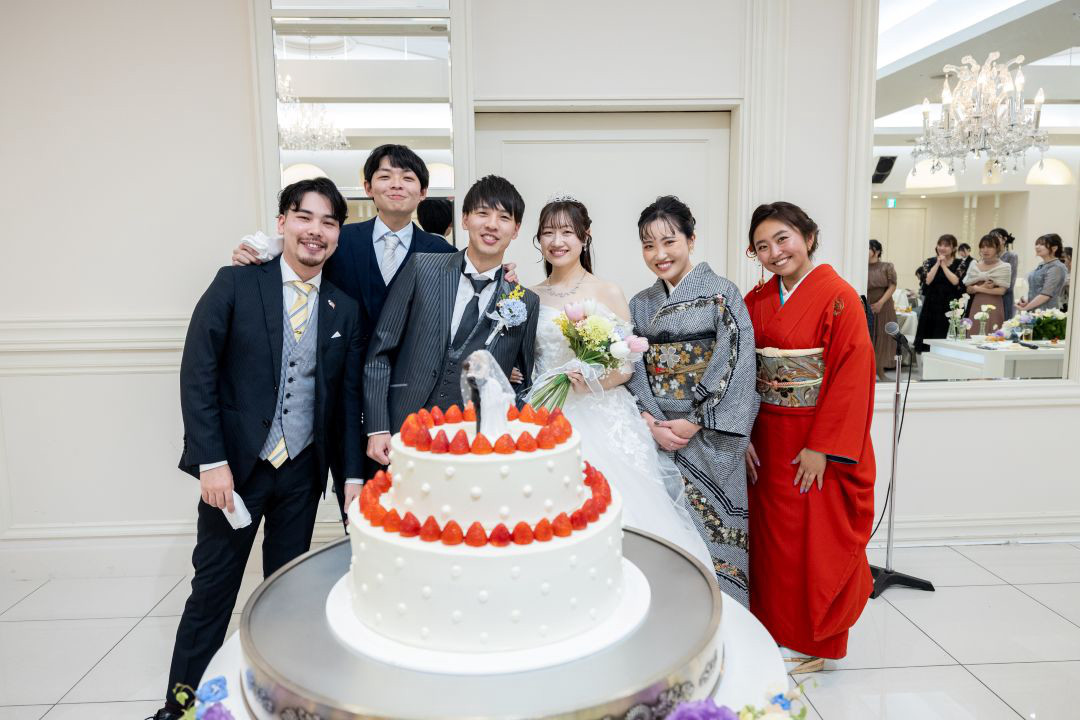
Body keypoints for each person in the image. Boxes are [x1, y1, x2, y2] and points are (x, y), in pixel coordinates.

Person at [154, 179, 363, 720]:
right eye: (304, 217)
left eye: (328, 222)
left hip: (301, 472)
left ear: (338, 235)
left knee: (284, 596)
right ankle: (181, 706)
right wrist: (211, 462)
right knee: (212, 592)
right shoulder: (236, 283)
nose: (315, 231)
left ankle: (275, 701)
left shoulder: (343, 307)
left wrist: (349, 478)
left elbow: (344, 404)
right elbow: (198, 373)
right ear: (282, 223)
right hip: (234, 471)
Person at [232, 145, 456, 519]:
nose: (396, 184)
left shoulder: (441, 251)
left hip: (412, 403)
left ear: (423, 192)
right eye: (385, 176)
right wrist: (257, 252)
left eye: (407, 178)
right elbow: (296, 255)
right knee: (358, 512)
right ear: (368, 187)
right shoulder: (338, 239)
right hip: (344, 400)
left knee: (419, 514)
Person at [524, 194, 713, 570]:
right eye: (548, 233)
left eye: (567, 232)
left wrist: (591, 381)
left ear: (585, 236)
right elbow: (526, 361)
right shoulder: (529, 296)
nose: (557, 241)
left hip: (603, 414)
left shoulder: (607, 291)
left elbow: (627, 366)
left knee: (619, 512)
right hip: (545, 412)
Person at [742, 201, 875, 672]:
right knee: (771, 542)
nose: (775, 252)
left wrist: (822, 447)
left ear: (808, 237)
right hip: (765, 436)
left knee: (813, 543)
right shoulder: (756, 300)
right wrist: (742, 433)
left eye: (783, 239)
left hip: (814, 441)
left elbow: (852, 376)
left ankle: (812, 643)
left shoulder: (840, 297)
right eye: (762, 246)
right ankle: (773, 631)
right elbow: (740, 371)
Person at [625, 196, 759, 607]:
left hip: (710, 435)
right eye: (649, 245)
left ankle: (726, 622)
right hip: (660, 434)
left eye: (669, 242)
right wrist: (653, 422)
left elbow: (736, 361)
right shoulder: (640, 304)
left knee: (718, 536)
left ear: (691, 240)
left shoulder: (722, 294)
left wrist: (695, 420)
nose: (659, 254)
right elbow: (634, 368)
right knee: (666, 536)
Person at [364, 175, 540, 465]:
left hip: (475, 442)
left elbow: (520, 382)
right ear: (465, 218)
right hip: (403, 427)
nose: (492, 225)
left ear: (516, 229)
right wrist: (377, 426)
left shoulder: (524, 301)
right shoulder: (422, 268)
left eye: (504, 217)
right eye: (482, 213)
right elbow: (380, 351)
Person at [914, 234, 964, 352]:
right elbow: (928, 280)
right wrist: (937, 263)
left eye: (946, 245)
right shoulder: (929, 262)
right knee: (929, 332)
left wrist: (944, 265)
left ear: (954, 248)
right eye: (940, 245)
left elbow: (955, 281)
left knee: (945, 332)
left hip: (950, 303)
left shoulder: (960, 263)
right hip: (931, 303)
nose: (942, 248)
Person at [963, 233, 1010, 332]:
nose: (985, 250)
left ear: (997, 248)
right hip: (977, 303)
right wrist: (982, 287)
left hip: (994, 304)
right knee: (974, 332)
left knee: (993, 334)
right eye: (982, 247)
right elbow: (968, 289)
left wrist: (978, 288)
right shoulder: (974, 265)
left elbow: (1001, 291)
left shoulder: (1004, 266)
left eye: (989, 247)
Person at [867, 239, 897, 380]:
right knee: (869, 338)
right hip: (867, 305)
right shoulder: (860, 267)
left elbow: (892, 286)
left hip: (884, 306)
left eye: (869, 248)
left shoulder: (887, 266)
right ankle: (870, 372)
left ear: (877, 251)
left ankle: (880, 371)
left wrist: (880, 303)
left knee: (882, 338)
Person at [1018, 233, 1069, 311]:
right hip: (1034, 310)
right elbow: (1037, 290)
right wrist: (1027, 301)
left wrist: (1025, 308)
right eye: (1037, 244)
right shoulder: (1042, 264)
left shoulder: (1057, 267)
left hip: (1046, 312)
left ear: (1054, 248)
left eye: (1042, 244)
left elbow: (1046, 295)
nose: (1037, 247)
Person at [992, 227, 1019, 320]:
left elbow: (1010, 283)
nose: (993, 240)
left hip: (1005, 297)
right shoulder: (989, 256)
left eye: (996, 237)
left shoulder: (1011, 256)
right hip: (989, 295)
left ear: (1004, 239)